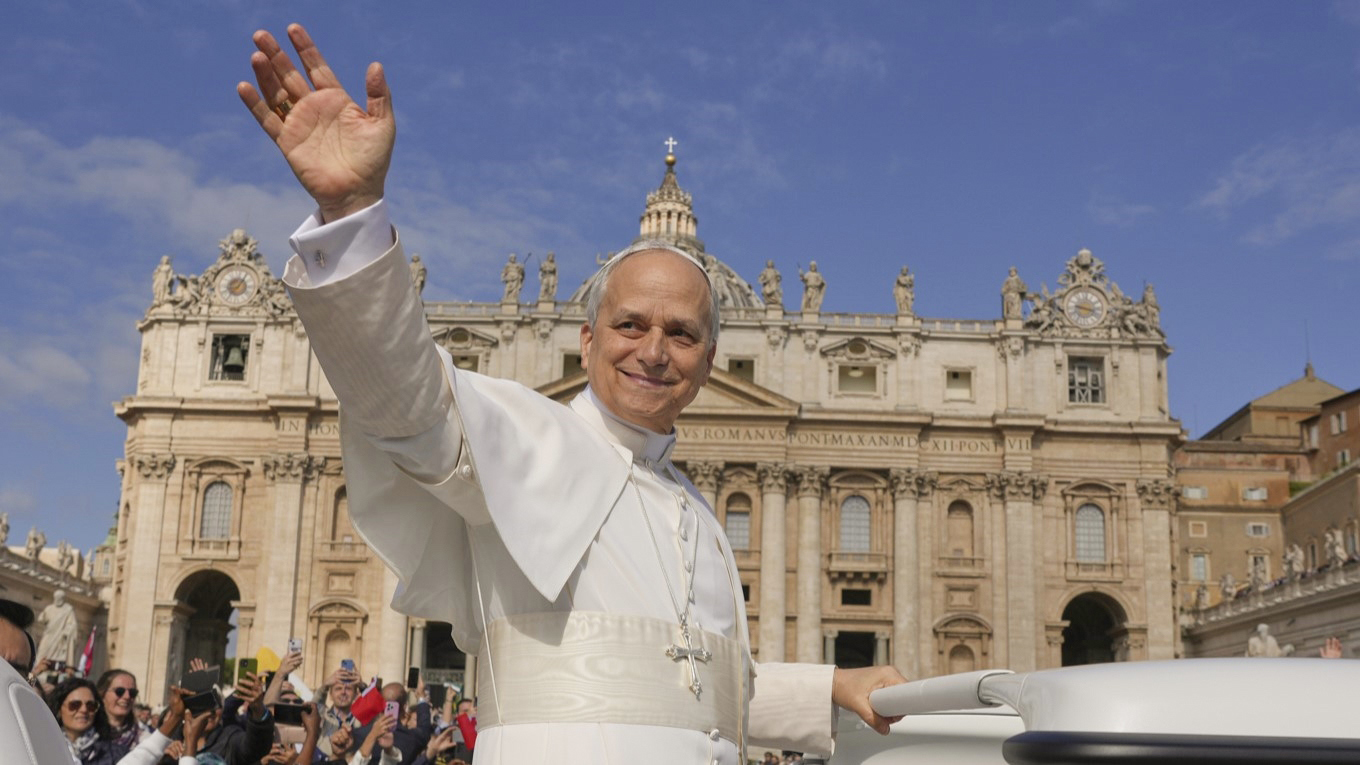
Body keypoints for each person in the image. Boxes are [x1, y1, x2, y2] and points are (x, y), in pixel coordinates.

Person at [237, 24, 905, 763]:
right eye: (629, 324)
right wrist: (354, 215)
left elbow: (695, 691)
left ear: (711, 361)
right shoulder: (522, 435)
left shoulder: (698, 515)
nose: (653, 350)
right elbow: (404, 396)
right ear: (585, 341)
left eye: (681, 333)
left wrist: (833, 685)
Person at [96, 669, 144, 749]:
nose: (127, 697)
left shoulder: (144, 740)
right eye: (119, 691)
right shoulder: (83, 733)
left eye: (132, 692)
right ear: (102, 694)